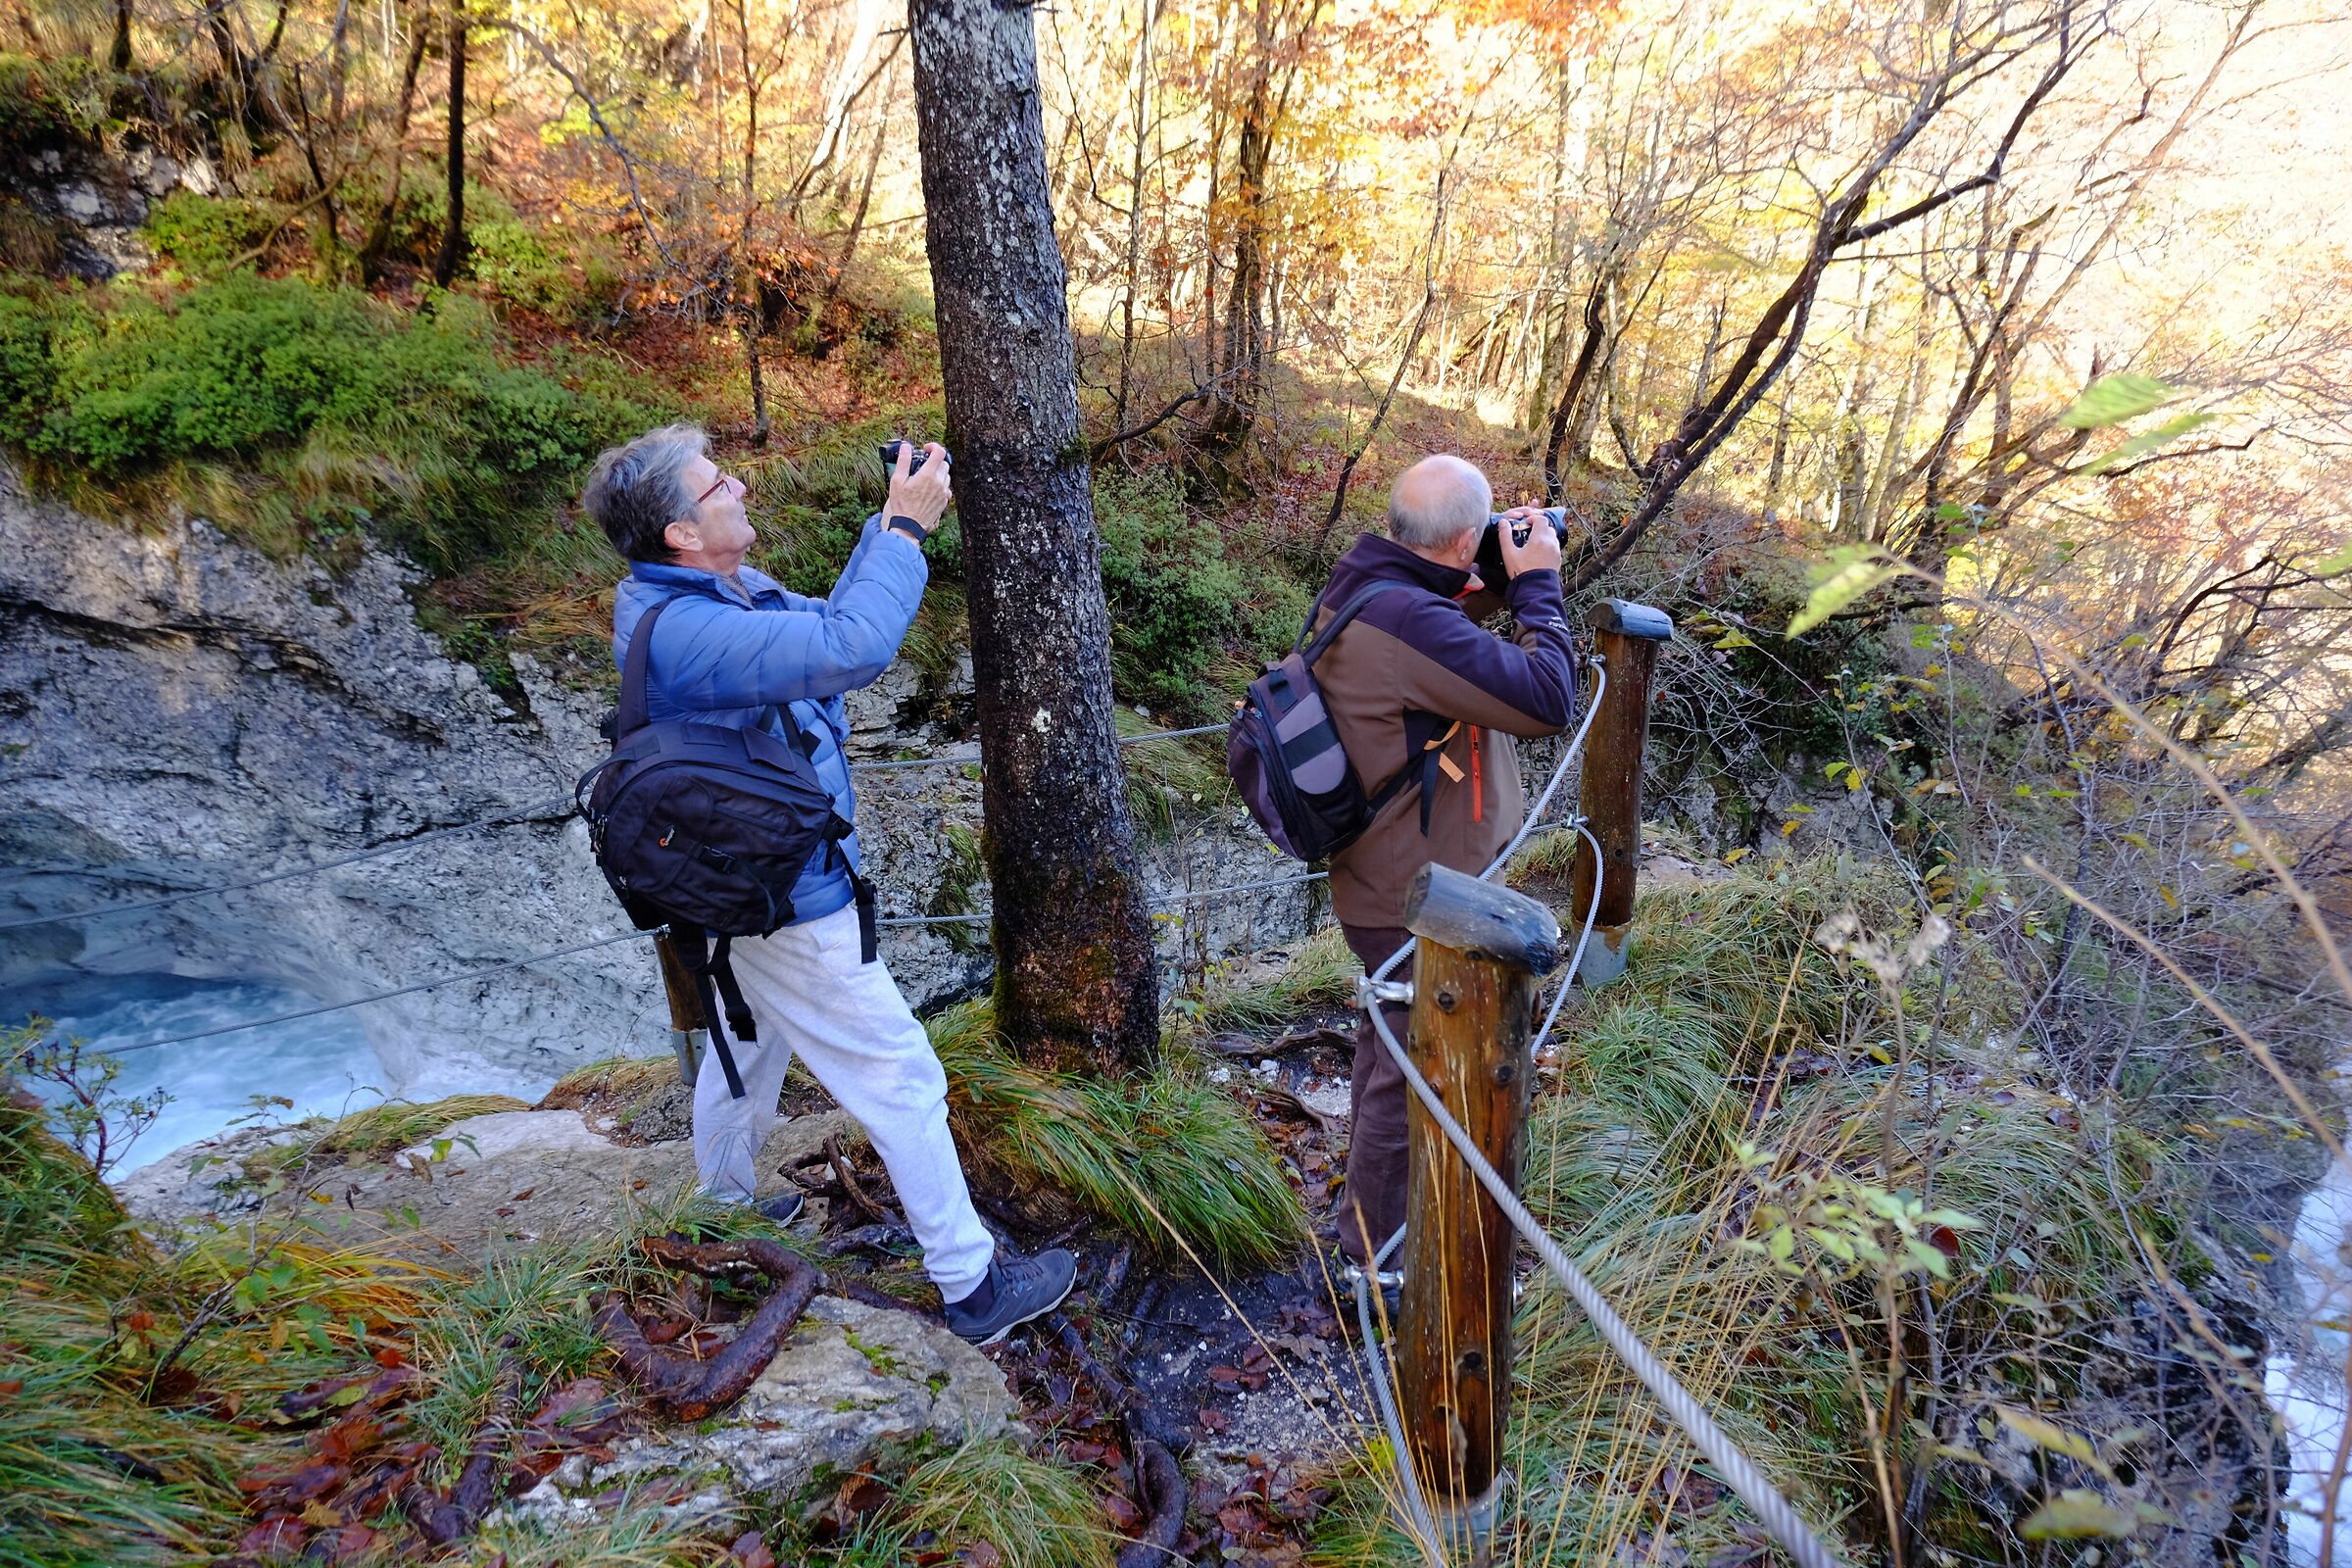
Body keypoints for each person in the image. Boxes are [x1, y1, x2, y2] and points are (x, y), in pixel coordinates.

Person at [580, 424, 1075, 1345]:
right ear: (681, 533)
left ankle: (720, 1209)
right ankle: (972, 1288)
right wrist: (908, 532)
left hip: (738, 878)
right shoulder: (687, 630)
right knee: (901, 1074)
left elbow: (827, 626)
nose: (739, 486)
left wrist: (886, 521)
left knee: (747, 1044)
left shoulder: (716, 590)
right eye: (717, 484)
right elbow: (854, 647)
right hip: (783, 896)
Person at [1311, 454, 1579, 1265]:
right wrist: (1538, 585)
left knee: (1392, 1051)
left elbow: (1440, 619)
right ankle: (1377, 1264)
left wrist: (1494, 565)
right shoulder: (1410, 622)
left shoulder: (1368, 585)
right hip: (1416, 896)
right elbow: (1549, 698)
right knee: (1410, 1071)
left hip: (1387, 878)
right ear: (1464, 540)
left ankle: (1373, 1233)